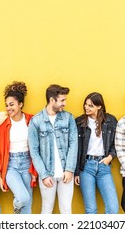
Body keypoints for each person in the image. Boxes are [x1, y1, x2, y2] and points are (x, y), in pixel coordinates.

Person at [28, 84, 78, 214]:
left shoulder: (68, 118)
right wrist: (43, 175)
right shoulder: (36, 121)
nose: (65, 103)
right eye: (62, 100)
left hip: (66, 174)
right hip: (47, 174)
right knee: (46, 210)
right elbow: (34, 150)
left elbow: (74, 144)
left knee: (66, 210)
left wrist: (69, 169)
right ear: (52, 100)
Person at [0, 81, 37, 214]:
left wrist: (35, 171)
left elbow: (37, 148)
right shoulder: (3, 124)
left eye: (11, 104)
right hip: (10, 165)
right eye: (6, 105)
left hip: (27, 164)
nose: (8, 108)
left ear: (20, 104)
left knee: (28, 207)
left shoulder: (32, 120)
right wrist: (0, 175)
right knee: (23, 198)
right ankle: (16, 209)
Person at [74, 92, 119, 214]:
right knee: (91, 209)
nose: (86, 108)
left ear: (99, 106)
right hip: (86, 167)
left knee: (113, 208)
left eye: (91, 105)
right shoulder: (79, 122)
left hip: (103, 166)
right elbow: (75, 148)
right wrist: (76, 172)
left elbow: (118, 142)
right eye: (86, 105)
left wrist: (110, 157)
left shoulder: (111, 120)